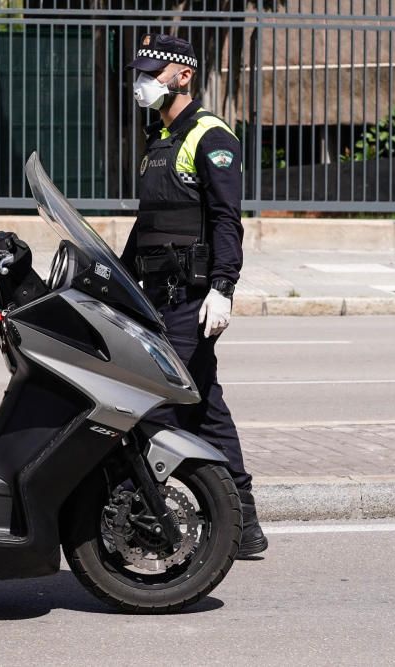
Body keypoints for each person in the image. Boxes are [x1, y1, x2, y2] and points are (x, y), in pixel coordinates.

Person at [120, 33, 268, 558]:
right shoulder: (159, 140)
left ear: (183, 75)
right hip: (156, 295)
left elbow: (228, 218)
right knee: (204, 407)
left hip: (190, 295)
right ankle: (244, 524)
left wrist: (224, 287)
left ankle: (167, 507)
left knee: (158, 401)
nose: (142, 82)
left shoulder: (210, 136)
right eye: (141, 72)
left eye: (152, 73)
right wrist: (115, 277)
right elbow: (149, 223)